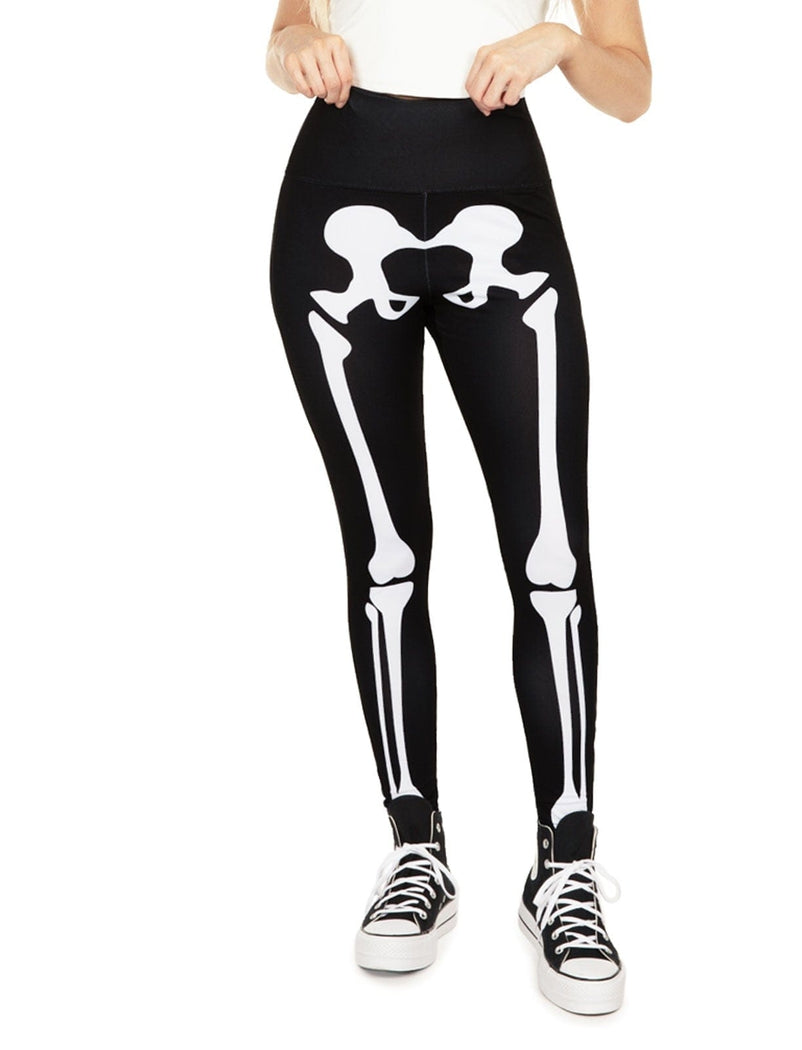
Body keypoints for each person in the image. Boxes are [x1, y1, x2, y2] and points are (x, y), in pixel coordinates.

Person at [265, 0, 651, 1016]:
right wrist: (295, 48)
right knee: (385, 556)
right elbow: (288, 32)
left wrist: (560, 43)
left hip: (503, 225)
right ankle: (415, 849)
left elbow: (632, 91)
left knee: (551, 557)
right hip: (337, 219)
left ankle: (566, 864)